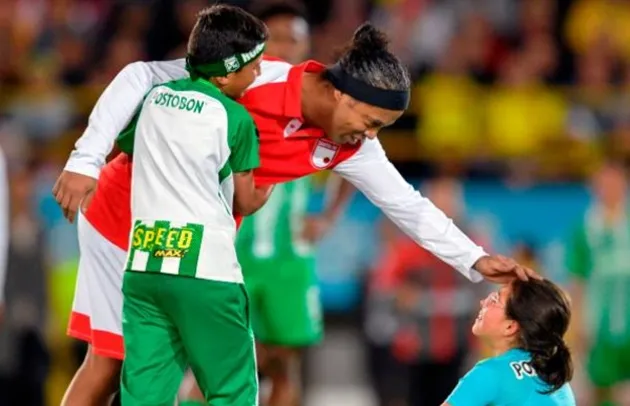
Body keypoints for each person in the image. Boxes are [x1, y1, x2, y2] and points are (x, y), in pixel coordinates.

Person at [54, 20, 537, 406]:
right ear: (340, 94)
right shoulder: (256, 77)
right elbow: (142, 75)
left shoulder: (350, 146)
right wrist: (84, 160)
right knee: (117, 361)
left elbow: (406, 204)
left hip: (188, 241)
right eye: (370, 123)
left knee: (129, 365)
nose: (370, 137)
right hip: (126, 212)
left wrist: (473, 260)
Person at [115, 6, 271, 405]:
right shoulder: (235, 118)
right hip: (207, 269)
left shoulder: (154, 99)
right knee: (232, 390)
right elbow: (247, 199)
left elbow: (126, 144)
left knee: (144, 395)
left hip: (145, 263)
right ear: (223, 73)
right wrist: (269, 186)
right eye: (252, 65)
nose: (258, 74)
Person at [443, 278, 576, 406]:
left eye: (495, 300)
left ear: (510, 327)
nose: (483, 302)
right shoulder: (556, 378)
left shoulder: (490, 373)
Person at [566, 160, 630, 406]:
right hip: (599, 327)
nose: (610, 189)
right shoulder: (585, 229)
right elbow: (577, 281)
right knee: (595, 391)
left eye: (615, 182)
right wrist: (578, 324)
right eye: (604, 183)